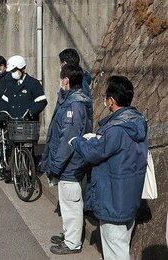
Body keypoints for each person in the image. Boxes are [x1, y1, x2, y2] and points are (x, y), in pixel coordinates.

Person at [69, 76, 148, 260]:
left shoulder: (115, 129)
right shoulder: (138, 122)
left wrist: (79, 141)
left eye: (106, 97)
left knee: (115, 251)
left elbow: (93, 154)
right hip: (130, 195)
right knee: (120, 245)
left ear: (111, 100)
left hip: (113, 199)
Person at [39, 64, 92, 255]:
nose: (60, 82)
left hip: (71, 163)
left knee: (72, 204)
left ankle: (72, 243)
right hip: (70, 163)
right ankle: (69, 234)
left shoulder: (74, 106)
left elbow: (67, 140)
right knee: (68, 202)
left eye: (61, 78)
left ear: (66, 81)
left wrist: (56, 165)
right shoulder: (72, 101)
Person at [3, 55, 47, 120]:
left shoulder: (33, 83)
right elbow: (4, 101)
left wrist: (30, 112)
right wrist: (1, 113)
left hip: (28, 124)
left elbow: (42, 101)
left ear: (22, 69)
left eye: (14, 70)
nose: (13, 73)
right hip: (12, 123)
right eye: (12, 71)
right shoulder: (10, 83)